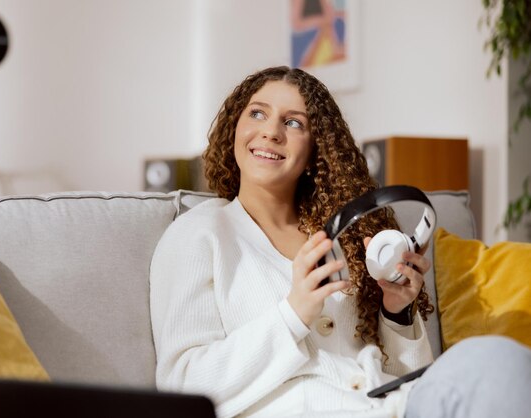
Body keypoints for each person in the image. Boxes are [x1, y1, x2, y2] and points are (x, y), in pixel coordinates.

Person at [149, 66, 531, 418]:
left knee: (497, 362)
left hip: (391, 408)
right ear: (235, 126)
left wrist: (397, 312)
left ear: (315, 149)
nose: (270, 131)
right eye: (257, 113)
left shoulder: (342, 237)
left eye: (293, 122)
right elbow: (181, 386)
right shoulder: (197, 235)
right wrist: (292, 315)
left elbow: (407, 376)